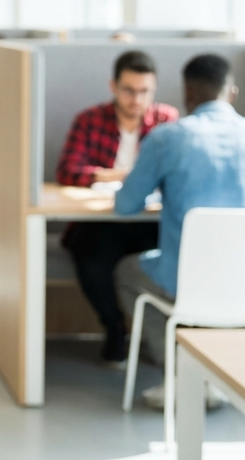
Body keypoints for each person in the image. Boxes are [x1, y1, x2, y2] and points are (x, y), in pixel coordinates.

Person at [115, 54, 245, 381]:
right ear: (232, 93)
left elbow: (126, 206)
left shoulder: (168, 137)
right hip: (240, 280)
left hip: (184, 280)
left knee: (126, 272)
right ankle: (221, 376)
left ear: (187, 93)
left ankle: (180, 377)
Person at [57, 50, 179, 364]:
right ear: (113, 85)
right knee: (92, 264)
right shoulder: (90, 119)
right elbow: (68, 171)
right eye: (128, 90)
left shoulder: (167, 122)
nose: (136, 99)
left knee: (162, 261)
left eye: (144, 91)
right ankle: (115, 327)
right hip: (101, 221)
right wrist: (119, 176)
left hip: (148, 222)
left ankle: (155, 338)